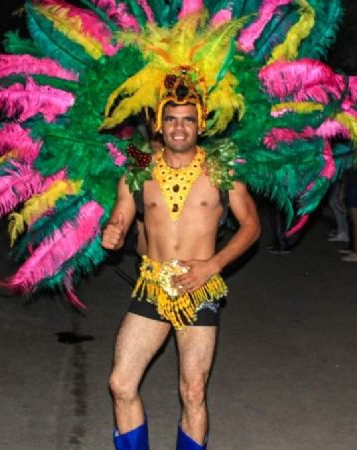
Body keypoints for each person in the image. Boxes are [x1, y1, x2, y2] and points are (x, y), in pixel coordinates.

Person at [102, 96, 261, 449]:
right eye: (171, 119)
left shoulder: (221, 169)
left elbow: (251, 225)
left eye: (188, 120)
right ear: (159, 124)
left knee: (193, 391)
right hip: (152, 285)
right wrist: (113, 231)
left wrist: (213, 265)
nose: (179, 127)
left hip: (198, 288)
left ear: (200, 125)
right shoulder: (139, 167)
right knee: (121, 384)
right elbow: (121, 217)